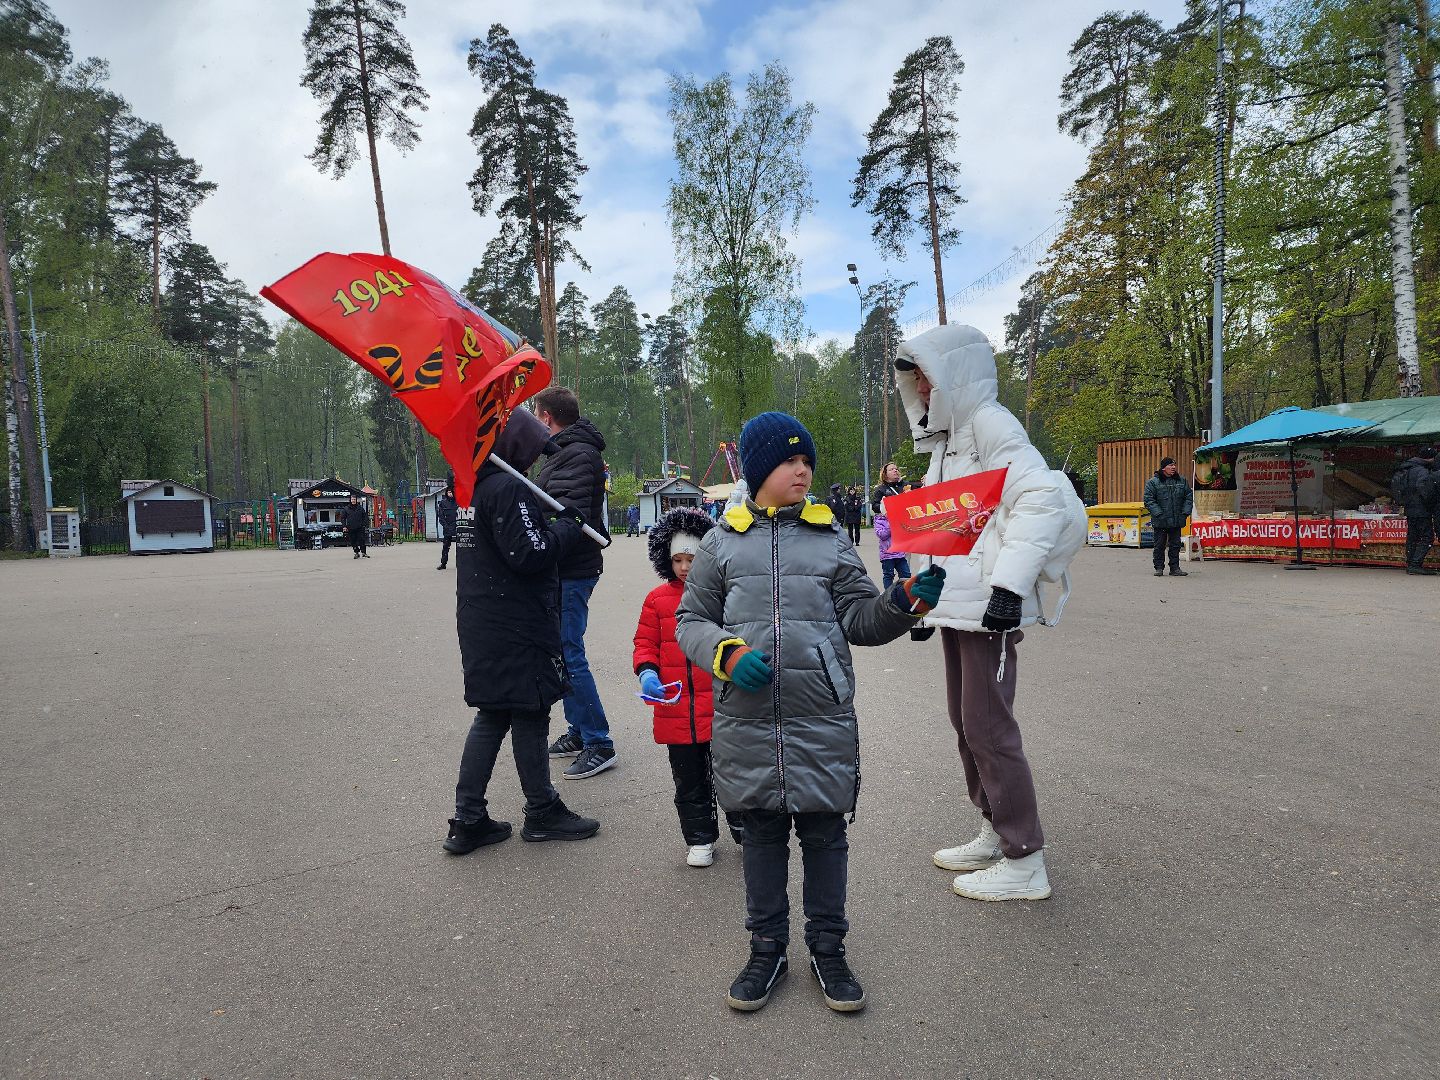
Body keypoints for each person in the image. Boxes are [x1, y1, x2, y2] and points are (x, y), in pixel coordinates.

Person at [676, 411, 945, 1014]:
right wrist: (723, 653)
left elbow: (861, 620)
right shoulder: (721, 542)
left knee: (825, 836)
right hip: (746, 721)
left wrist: (903, 603)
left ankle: (829, 947)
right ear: (758, 468)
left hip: (821, 717)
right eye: (789, 460)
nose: (802, 470)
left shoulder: (831, 539)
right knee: (763, 836)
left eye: (807, 461)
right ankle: (765, 948)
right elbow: (689, 621)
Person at [894, 324, 1085, 903]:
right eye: (915, 378)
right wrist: (924, 606)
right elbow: (939, 526)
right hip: (961, 607)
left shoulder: (991, 424)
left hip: (989, 610)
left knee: (989, 727)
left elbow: (1040, 498)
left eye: (925, 374)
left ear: (953, 373)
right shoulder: (949, 443)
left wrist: (1009, 588)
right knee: (966, 721)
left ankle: (1025, 858)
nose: (920, 388)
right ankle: (996, 829)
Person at [443, 409, 601, 854]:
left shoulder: (470, 489)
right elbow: (530, 554)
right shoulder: (509, 488)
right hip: (517, 624)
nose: (533, 463)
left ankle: (468, 818)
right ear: (512, 449)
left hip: (481, 620)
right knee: (531, 711)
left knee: (493, 713)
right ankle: (541, 810)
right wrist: (568, 527)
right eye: (530, 453)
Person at [633, 508, 745, 867]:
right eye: (677, 559)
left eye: (691, 559)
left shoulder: (723, 596)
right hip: (675, 709)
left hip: (721, 706)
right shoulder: (656, 599)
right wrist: (647, 672)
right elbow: (645, 643)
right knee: (689, 782)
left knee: (732, 772)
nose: (684, 567)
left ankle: (745, 827)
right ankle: (699, 838)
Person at [533, 387, 618, 779]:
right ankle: (580, 731)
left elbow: (566, 513)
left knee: (570, 652)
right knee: (563, 650)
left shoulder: (577, 453)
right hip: (563, 569)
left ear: (547, 417)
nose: (535, 422)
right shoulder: (564, 452)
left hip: (573, 568)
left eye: (536, 415)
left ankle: (599, 741)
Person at [1143, 457, 1193, 578]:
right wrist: (1159, 513)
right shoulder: (1153, 482)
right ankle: (1159, 567)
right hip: (1160, 520)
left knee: (1175, 545)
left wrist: (1185, 513)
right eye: (1170, 465)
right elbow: (1149, 500)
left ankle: (1175, 568)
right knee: (1159, 545)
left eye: (1174, 465)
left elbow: (1188, 497)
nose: (1173, 467)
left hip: (1176, 519)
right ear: (1163, 468)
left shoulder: (1182, 481)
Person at [1393, 446, 1439, 575]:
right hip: (1421, 509)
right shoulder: (1422, 471)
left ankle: (1410, 562)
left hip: (1409, 508)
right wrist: (1430, 503)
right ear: (1430, 458)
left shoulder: (1407, 468)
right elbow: (1423, 488)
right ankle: (1415, 564)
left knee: (1412, 536)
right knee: (1427, 537)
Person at [872, 504, 911, 589]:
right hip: (887, 554)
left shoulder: (897, 517)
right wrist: (891, 525)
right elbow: (882, 535)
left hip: (899, 553)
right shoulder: (879, 520)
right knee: (888, 575)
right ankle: (888, 595)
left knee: (906, 574)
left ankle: (905, 594)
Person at [435, 483, 458, 570]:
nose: (450, 494)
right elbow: (440, 516)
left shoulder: (458, 502)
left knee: (460, 548)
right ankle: (443, 564)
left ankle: (459, 564)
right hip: (447, 528)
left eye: (452, 492)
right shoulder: (443, 503)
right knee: (445, 548)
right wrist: (446, 526)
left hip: (457, 527)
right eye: (449, 492)